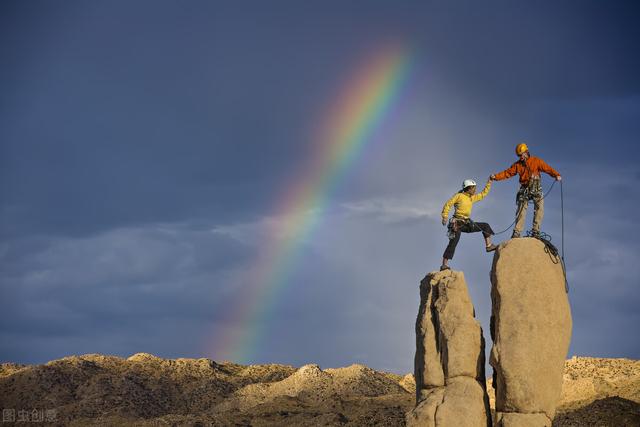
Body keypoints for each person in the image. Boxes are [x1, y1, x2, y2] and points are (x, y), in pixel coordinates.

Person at [490, 143, 561, 238]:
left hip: (536, 189)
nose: (520, 157)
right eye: (518, 156)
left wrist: (556, 175)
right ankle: (517, 232)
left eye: (521, 155)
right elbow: (507, 173)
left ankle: (536, 231)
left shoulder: (536, 161)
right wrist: (496, 177)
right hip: (524, 189)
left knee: (540, 208)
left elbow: (547, 168)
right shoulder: (517, 165)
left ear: (526, 152)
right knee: (521, 209)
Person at [440, 178, 497, 271]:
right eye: (474, 188)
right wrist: (444, 216)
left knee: (485, 226)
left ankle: (489, 246)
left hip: (466, 223)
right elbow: (448, 204)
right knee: (453, 242)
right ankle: (444, 265)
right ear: (468, 188)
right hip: (457, 223)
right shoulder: (459, 196)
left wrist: (489, 183)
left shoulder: (471, 197)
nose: (475, 190)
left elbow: (483, 195)